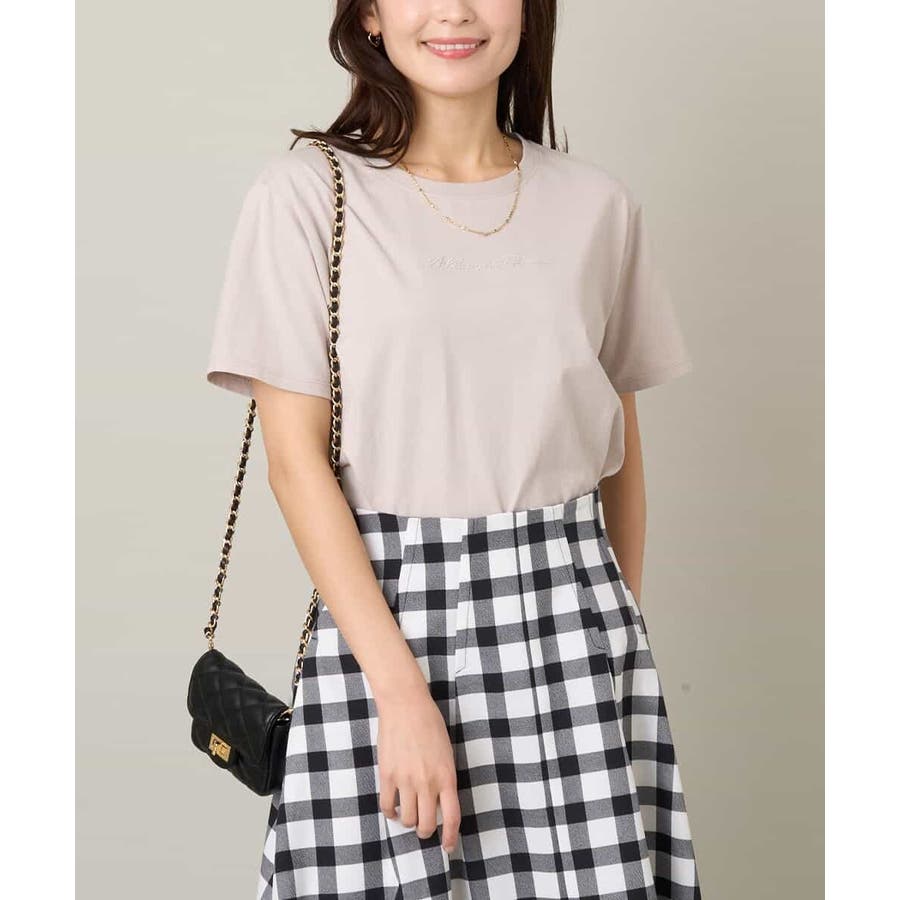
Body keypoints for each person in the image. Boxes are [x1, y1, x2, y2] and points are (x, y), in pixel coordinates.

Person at [205, 1, 703, 897]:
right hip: (388, 626)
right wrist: (399, 696)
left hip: (571, 624)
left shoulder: (596, 204)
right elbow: (294, 464)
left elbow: (619, 450)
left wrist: (615, 628)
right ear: (369, 14)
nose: (455, 11)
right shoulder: (307, 194)